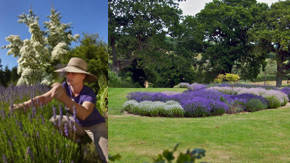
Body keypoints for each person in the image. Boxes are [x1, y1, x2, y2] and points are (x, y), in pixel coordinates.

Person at [11, 57, 108, 163]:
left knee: (107, 154)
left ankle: (91, 140)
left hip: (95, 125)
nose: (69, 76)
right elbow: (44, 98)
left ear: (83, 76)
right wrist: (24, 105)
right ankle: (79, 142)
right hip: (77, 123)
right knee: (55, 119)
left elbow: (84, 113)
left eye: (73, 73)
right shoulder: (65, 87)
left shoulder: (88, 93)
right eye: (67, 73)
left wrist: (64, 98)